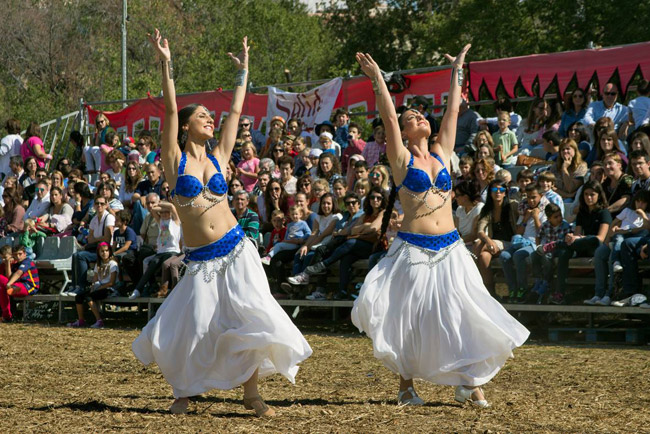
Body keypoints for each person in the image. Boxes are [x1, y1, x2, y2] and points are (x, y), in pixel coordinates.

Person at [132, 30, 311, 416]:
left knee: (248, 318)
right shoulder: (174, 159)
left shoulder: (219, 156)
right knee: (193, 327)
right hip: (200, 259)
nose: (210, 120)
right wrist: (165, 62)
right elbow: (170, 106)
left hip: (237, 249)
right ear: (186, 126)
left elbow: (235, 112)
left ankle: (252, 393)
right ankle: (184, 391)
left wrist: (244, 72)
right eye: (202, 116)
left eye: (209, 117)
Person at [351, 48, 528, 408]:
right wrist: (378, 79)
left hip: (450, 248)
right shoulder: (401, 160)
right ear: (401, 131)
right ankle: (406, 386)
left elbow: (451, 108)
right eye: (410, 115)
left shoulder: (442, 151)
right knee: (410, 315)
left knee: (464, 311)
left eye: (419, 112)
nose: (417, 114)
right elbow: (387, 113)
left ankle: (468, 381)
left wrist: (457, 70)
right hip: (414, 249)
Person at [550, 180, 611, 305]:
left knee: (592, 240)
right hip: (582, 246)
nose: (589, 197)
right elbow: (577, 235)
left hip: (597, 247)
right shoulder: (582, 213)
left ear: (599, 195)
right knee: (563, 252)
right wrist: (571, 237)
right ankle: (559, 293)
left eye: (592, 194)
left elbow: (601, 238)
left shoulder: (604, 213)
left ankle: (557, 244)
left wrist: (578, 238)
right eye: (586, 194)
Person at [589, 189, 650, 306]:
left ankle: (609, 294)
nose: (640, 205)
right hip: (619, 238)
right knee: (599, 253)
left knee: (616, 251)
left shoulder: (647, 215)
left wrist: (641, 215)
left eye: (643, 202)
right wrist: (607, 238)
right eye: (638, 202)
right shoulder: (627, 211)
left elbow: (647, 228)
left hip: (633, 241)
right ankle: (598, 293)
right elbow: (613, 224)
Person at [129, 201, 181, 299]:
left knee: (165, 261)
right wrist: (163, 208)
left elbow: (171, 206)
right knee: (151, 263)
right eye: (162, 212)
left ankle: (169, 289)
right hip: (160, 252)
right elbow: (153, 209)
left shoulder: (175, 221)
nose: (164, 214)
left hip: (172, 251)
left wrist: (161, 204)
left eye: (167, 212)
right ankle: (138, 289)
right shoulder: (160, 221)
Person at [67, 243, 118, 328]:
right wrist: (93, 287)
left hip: (109, 288)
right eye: (102, 251)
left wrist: (99, 288)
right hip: (99, 287)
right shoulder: (98, 264)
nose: (104, 253)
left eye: (106, 251)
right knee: (79, 296)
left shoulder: (113, 264)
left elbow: (111, 282)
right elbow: (95, 279)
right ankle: (81, 320)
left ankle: (99, 320)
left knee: (89, 297)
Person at [529, 203, 572, 304]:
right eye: (555, 217)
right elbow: (538, 235)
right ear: (549, 218)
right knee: (535, 255)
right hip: (548, 248)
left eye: (560, 215)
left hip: (559, 249)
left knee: (546, 258)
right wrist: (539, 246)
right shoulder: (545, 225)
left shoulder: (565, 225)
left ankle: (546, 281)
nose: (559, 218)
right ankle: (538, 279)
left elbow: (567, 240)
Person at [0, 245, 40, 322]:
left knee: (4, 286)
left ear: (24, 253)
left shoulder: (27, 262)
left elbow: (18, 273)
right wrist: (8, 262)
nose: (17, 256)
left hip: (30, 286)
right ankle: (7, 316)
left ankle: (7, 315)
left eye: (20, 254)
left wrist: (8, 284)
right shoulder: (15, 264)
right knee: (2, 289)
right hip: (18, 285)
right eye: (15, 254)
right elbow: (9, 277)